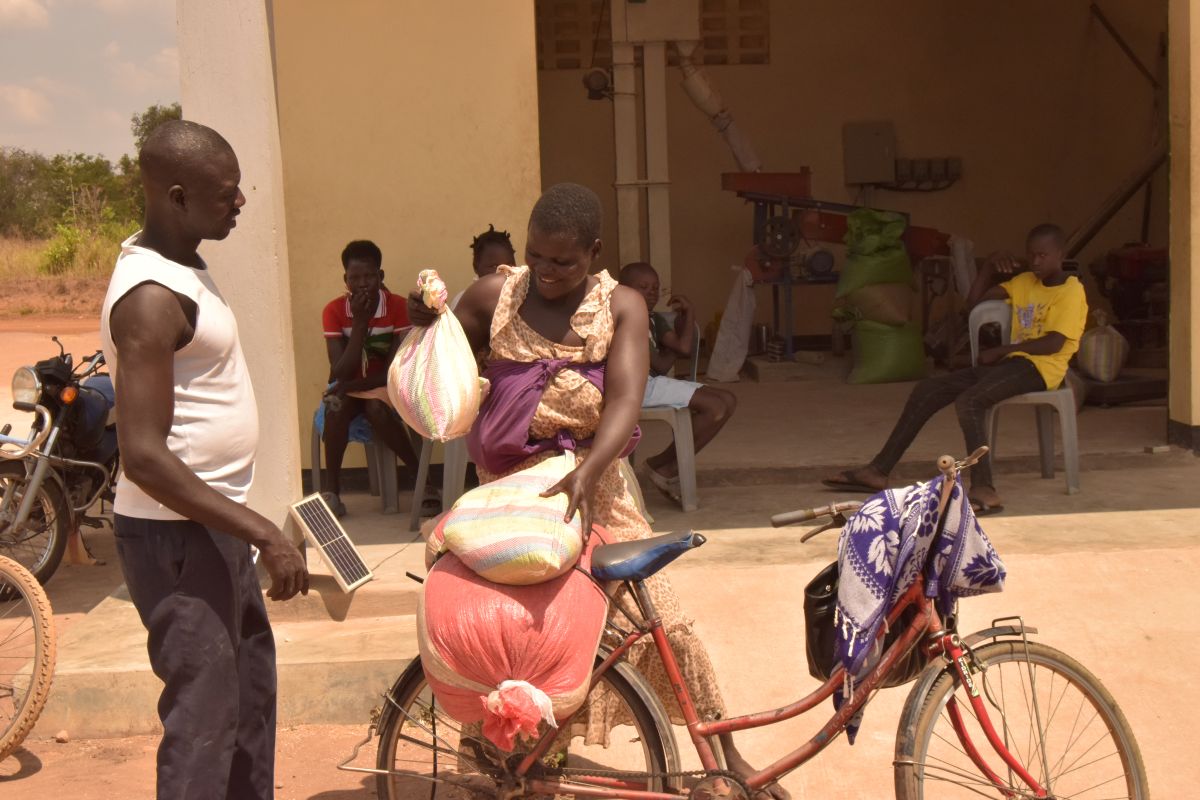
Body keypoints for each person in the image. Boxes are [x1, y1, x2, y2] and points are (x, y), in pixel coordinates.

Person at [409, 183, 788, 800]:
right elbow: (439, 352)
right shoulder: (494, 296)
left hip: (595, 483)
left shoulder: (623, 307)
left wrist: (585, 475)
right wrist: (423, 321)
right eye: (539, 257)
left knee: (656, 616)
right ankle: (515, 757)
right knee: (523, 630)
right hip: (510, 495)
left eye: (566, 261)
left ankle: (723, 756)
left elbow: (625, 401)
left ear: (594, 251)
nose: (550, 273)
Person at [98, 119, 308, 800]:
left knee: (248, 701)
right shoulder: (151, 297)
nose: (240, 202)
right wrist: (264, 532)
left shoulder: (185, 268)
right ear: (178, 197)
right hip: (177, 540)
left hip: (211, 533)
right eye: (225, 194)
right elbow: (145, 458)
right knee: (205, 722)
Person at [824, 223, 1087, 513]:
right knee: (929, 389)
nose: (1036, 262)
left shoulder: (1071, 292)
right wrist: (987, 267)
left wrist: (1002, 350)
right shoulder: (1024, 281)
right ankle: (878, 470)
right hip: (1011, 365)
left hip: (1041, 369)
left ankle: (985, 488)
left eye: (1043, 255)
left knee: (970, 401)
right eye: (1032, 255)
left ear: (1060, 254)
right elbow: (973, 303)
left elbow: (1053, 344)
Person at [320, 239, 426, 517]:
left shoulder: (398, 307)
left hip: (384, 386)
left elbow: (393, 370)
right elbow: (340, 370)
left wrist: (348, 385)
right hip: (349, 386)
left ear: (381, 277)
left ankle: (420, 479)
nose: (362, 284)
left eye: (369, 276)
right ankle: (332, 491)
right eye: (354, 278)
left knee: (375, 408)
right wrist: (360, 323)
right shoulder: (333, 311)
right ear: (346, 280)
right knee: (334, 408)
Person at [618, 261, 737, 501]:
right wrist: (675, 343)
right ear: (623, 290)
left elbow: (681, 349)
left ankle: (662, 466)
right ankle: (664, 467)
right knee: (715, 407)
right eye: (643, 287)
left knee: (729, 400)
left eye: (656, 288)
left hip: (653, 383)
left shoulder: (654, 320)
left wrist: (688, 315)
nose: (651, 293)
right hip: (637, 386)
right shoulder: (626, 319)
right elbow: (663, 363)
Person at [450, 223, 516, 310]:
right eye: (494, 266)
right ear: (476, 267)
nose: (503, 271)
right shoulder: (463, 300)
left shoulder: (519, 298)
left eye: (510, 264)